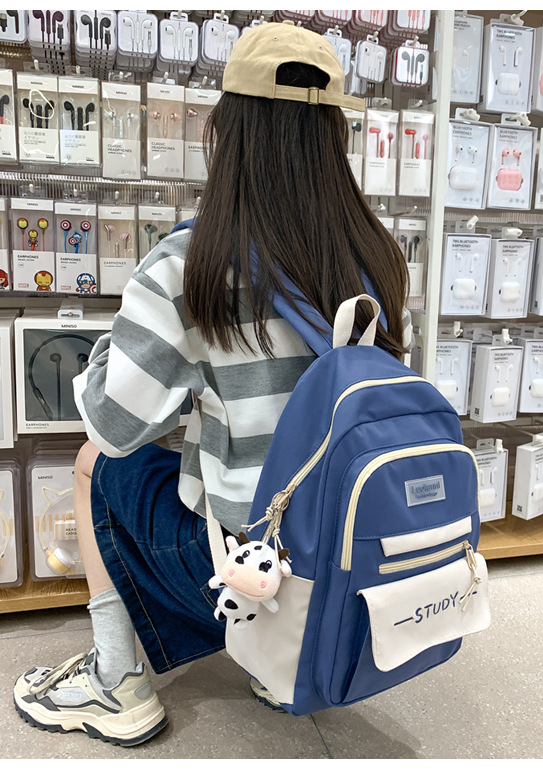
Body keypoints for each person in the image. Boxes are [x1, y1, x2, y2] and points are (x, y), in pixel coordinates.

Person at [13, 22, 410, 747]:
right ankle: (275, 663)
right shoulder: (374, 255)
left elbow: (112, 422)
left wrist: (116, 343)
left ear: (226, 130)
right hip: (347, 560)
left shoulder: (190, 263)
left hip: (244, 573)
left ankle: (115, 682)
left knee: (94, 464)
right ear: (335, 136)